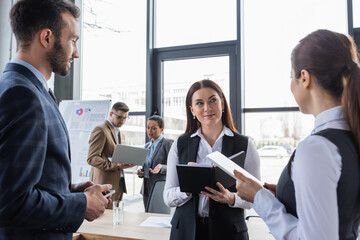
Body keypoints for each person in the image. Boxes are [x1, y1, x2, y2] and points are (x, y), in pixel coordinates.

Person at [0, 0, 112, 239]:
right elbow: (11, 202)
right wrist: (81, 205)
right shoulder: (24, 96)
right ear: (47, 38)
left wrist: (69, 191)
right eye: (73, 40)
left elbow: (18, 184)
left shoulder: (21, 89)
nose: (77, 52)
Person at [235, 29, 360, 240]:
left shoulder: (317, 148)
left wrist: (259, 198)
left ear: (304, 78)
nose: (291, 85)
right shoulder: (351, 136)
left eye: (290, 76)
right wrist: (287, 194)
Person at [163, 79, 261, 240]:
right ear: (192, 110)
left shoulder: (244, 144)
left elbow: (256, 196)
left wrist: (231, 198)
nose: (207, 108)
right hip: (185, 232)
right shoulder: (180, 145)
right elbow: (167, 197)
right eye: (199, 103)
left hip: (229, 232)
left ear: (222, 103)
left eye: (213, 100)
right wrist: (187, 188)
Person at [87, 102, 134, 208]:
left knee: (116, 217)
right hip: (104, 184)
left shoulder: (120, 133)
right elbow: (92, 158)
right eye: (119, 117)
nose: (122, 121)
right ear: (111, 114)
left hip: (119, 183)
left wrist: (128, 162)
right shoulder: (101, 130)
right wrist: (115, 165)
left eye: (125, 118)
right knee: (104, 219)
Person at [137, 115, 174, 209]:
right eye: (148, 127)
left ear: (162, 129)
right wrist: (141, 172)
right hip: (146, 187)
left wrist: (162, 167)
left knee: (158, 216)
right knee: (147, 216)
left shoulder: (167, 143)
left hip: (160, 187)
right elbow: (145, 166)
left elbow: (174, 167)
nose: (149, 131)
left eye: (154, 128)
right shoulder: (147, 146)